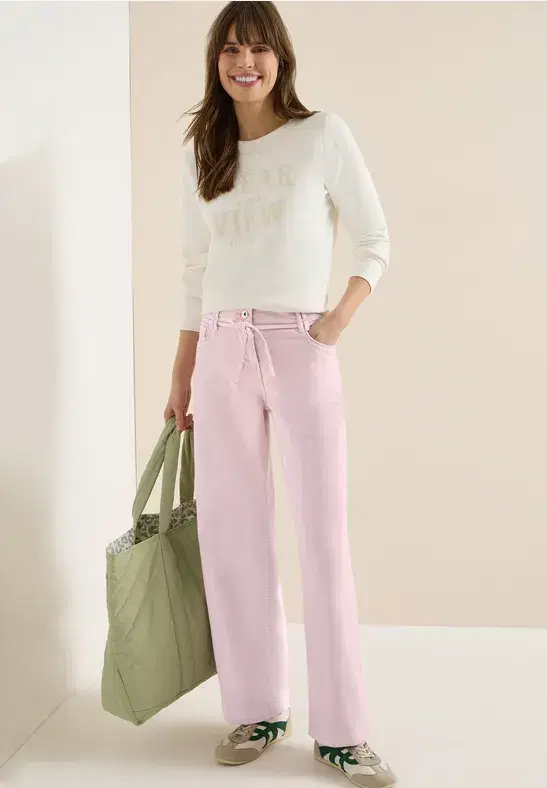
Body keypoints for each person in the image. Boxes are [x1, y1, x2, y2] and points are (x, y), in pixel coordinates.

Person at [164, 2, 396, 786]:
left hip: (302, 344)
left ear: (280, 58)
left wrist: (335, 320)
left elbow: (374, 240)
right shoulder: (203, 147)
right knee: (232, 535)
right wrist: (180, 375)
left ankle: (343, 732)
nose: (245, 63)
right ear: (216, 61)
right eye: (231, 49)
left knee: (322, 535)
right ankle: (256, 708)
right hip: (220, 348)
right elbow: (194, 270)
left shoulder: (321, 134)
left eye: (258, 49)